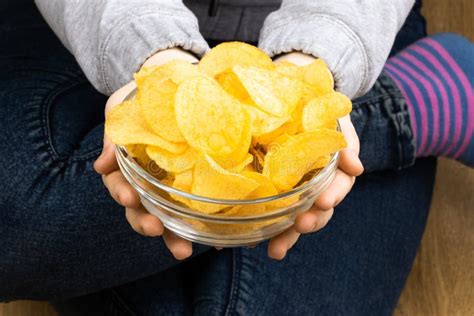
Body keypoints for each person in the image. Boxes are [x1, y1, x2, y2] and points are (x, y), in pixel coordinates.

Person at [0, 0, 471, 314]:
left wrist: (317, 62)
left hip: (350, 21)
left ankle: (388, 103)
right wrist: (152, 56)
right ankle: (401, 107)